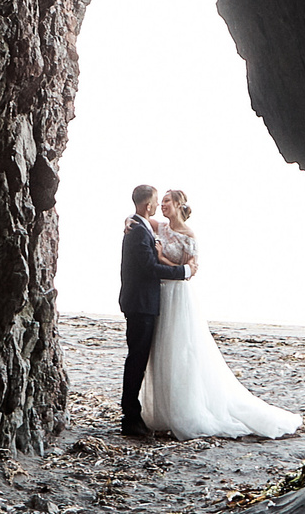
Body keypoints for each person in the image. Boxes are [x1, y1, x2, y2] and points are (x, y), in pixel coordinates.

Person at [136, 189, 301, 439]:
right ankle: (164, 411)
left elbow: (190, 271)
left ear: (179, 204)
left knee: (181, 349)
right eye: (162, 202)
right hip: (160, 293)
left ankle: (186, 409)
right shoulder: (161, 227)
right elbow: (139, 220)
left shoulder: (189, 235)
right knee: (162, 349)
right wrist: (129, 220)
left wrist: (161, 258)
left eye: (167, 201)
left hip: (178, 295)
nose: (162, 206)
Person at [119, 182, 193, 435]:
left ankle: (133, 414)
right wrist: (182, 271)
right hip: (141, 303)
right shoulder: (139, 230)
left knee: (139, 360)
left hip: (147, 301)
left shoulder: (140, 226)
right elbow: (149, 267)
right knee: (137, 360)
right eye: (157, 201)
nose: (160, 205)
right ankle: (130, 418)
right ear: (149, 205)